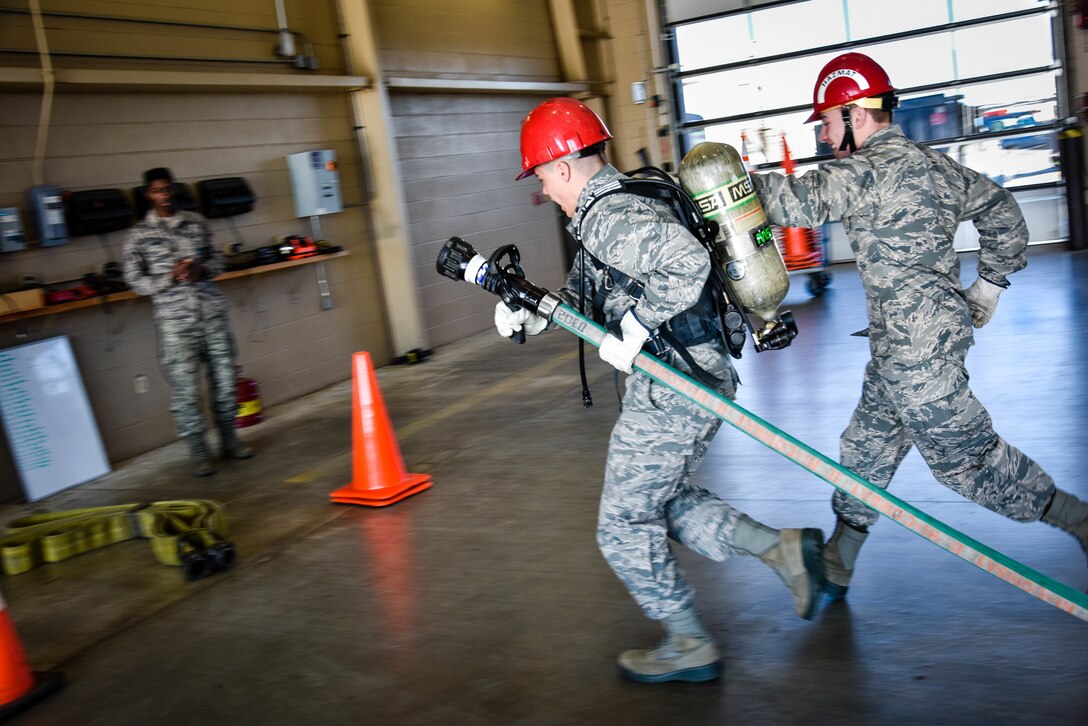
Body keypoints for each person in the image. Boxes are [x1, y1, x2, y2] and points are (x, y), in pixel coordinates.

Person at [500, 97, 824, 684]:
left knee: (622, 522)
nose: (545, 189)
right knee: (660, 499)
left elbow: (684, 262)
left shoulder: (609, 217)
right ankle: (783, 550)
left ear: (566, 167)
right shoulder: (622, 206)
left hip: (676, 382)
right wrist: (531, 314)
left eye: (544, 175)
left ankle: (689, 641)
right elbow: (585, 297)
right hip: (687, 375)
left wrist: (638, 324)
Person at [749, 52, 1088, 601]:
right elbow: (1003, 209)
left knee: (967, 462)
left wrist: (713, 185)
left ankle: (1079, 520)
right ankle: (839, 559)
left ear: (857, 115)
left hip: (919, 350)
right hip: (906, 342)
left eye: (829, 124)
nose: (827, 139)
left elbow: (789, 201)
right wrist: (989, 284)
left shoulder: (862, 171)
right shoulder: (937, 166)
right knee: (867, 448)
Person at [122, 167, 254, 477]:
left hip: (212, 315)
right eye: (157, 191)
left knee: (224, 383)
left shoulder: (197, 224)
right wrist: (169, 278)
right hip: (175, 322)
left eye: (168, 189)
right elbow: (134, 281)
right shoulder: (139, 235)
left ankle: (230, 441)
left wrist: (202, 271)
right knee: (185, 391)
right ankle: (198, 452)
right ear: (148, 195)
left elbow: (219, 261)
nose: (165, 195)